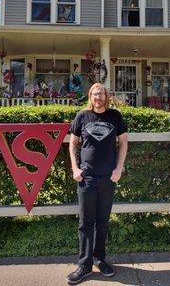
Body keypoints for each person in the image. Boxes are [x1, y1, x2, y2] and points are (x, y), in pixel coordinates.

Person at [66, 83, 128, 285]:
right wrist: (75, 169)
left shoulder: (115, 116)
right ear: (90, 97)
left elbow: (124, 142)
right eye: (94, 94)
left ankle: (100, 259)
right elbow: (73, 143)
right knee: (86, 222)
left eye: (101, 94)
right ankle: (84, 265)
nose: (98, 97)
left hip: (108, 178)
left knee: (103, 221)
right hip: (87, 178)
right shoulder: (82, 116)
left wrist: (119, 168)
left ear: (106, 96)